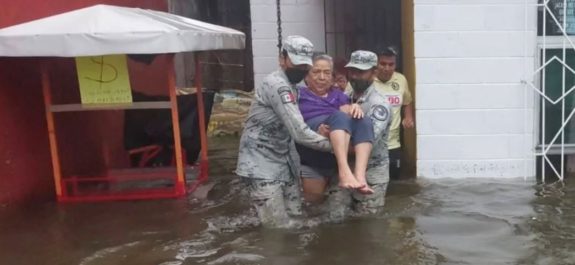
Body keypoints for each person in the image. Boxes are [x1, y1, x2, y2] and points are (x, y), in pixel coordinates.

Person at [236, 36, 332, 227]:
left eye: (304, 65)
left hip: (285, 163)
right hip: (261, 164)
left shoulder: (293, 87)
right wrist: (338, 146)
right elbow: (299, 132)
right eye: (296, 63)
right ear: (282, 59)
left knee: (296, 216)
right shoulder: (277, 85)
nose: (300, 69)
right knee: (276, 227)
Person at [326, 50, 392, 219]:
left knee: (368, 225)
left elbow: (366, 143)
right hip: (343, 171)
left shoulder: (379, 105)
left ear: (374, 73)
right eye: (352, 71)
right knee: (336, 219)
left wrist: (332, 142)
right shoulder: (343, 98)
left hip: (370, 176)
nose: (355, 76)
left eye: (361, 72)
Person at [298, 54, 374, 194]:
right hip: (311, 156)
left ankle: (360, 176)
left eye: (327, 73)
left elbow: (347, 112)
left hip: (332, 156)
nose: (322, 77)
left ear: (332, 77)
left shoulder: (339, 95)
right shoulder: (299, 95)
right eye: (316, 72)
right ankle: (344, 172)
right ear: (306, 76)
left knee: (364, 120)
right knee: (313, 207)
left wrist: (355, 108)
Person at [374, 46, 414, 180]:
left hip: (393, 144)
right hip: (372, 143)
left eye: (391, 64)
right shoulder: (367, 81)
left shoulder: (401, 80)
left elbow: (407, 101)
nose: (387, 68)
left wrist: (408, 117)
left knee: (394, 183)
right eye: (383, 64)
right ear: (376, 64)